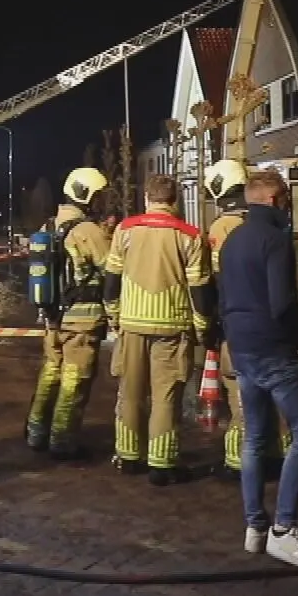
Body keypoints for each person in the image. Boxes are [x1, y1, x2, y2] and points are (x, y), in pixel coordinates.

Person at [220, 170, 298, 569]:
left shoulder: (231, 240)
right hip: (272, 347)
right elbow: (281, 301)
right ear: (273, 199)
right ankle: (284, 531)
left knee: (255, 435)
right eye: (285, 198)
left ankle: (254, 527)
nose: (289, 206)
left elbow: (224, 295)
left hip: (241, 346)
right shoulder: (274, 240)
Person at [105, 173, 215, 485]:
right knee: (166, 395)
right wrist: (202, 326)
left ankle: (128, 456)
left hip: (131, 323)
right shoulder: (191, 235)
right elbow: (200, 289)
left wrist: (113, 315)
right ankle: (162, 463)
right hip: (173, 325)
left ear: (147, 198)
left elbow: (111, 278)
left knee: (130, 391)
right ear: (175, 200)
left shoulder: (124, 230)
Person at [203, 159, 292, 480]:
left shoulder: (222, 227)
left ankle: (237, 462)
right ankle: (279, 454)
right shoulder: (269, 226)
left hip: (237, 325)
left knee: (241, 396)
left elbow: (215, 280)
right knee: (277, 397)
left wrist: (210, 322)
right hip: (270, 326)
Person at [25, 167, 114, 458]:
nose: (101, 202)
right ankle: (63, 440)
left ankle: (36, 432)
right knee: (75, 379)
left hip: (52, 318)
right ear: (85, 195)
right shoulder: (88, 231)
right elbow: (113, 269)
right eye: (98, 196)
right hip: (81, 320)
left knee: (51, 372)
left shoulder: (47, 226)